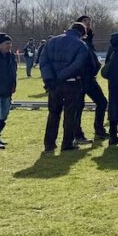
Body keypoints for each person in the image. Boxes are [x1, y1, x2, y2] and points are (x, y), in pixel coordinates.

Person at [40, 22, 90, 154]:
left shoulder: (51, 42)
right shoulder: (81, 45)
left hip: (53, 84)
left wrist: (50, 78)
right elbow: (77, 65)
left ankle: (49, 144)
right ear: (82, 33)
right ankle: (67, 143)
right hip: (71, 83)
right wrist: (61, 76)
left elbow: (43, 62)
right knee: (70, 114)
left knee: (53, 113)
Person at [74, 15, 108, 141]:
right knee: (78, 106)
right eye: (85, 22)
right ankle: (77, 134)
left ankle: (99, 130)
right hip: (80, 78)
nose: (88, 24)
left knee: (102, 102)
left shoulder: (89, 39)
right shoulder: (77, 40)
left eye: (89, 22)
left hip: (90, 78)